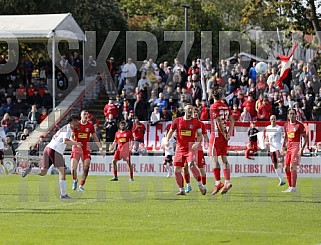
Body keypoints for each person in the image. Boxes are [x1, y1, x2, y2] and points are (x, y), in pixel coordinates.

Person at [21, 114, 82, 199]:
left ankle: (30, 169)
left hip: (48, 148)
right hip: (55, 150)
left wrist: (73, 142)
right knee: (62, 171)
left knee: (43, 172)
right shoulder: (68, 129)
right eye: (76, 121)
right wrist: (76, 143)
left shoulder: (64, 128)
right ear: (71, 121)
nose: (77, 123)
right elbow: (65, 141)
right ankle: (63, 194)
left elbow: (65, 139)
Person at [165, 104, 206, 195]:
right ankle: (181, 190)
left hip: (190, 147)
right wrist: (167, 140)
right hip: (179, 148)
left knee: (191, 165)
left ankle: (200, 185)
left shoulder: (196, 122)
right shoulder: (177, 121)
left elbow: (199, 136)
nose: (190, 110)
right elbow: (171, 131)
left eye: (192, 109)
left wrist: (196, 143)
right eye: (189, 109)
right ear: (184, 110)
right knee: (177, 170)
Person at [70, 110, 105, 192]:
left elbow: (95, 138)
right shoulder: (76, 124)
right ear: (81, 116)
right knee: (73, 169)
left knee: (86, 167)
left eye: (87, 114)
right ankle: (75, 180)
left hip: (86, 149)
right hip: (76, 149)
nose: (86, 116)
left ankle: (81, 185)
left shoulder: (90, 126)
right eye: (84, 114)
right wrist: (75, 143)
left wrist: (100, 148)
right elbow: (71, 137)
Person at [209, 89, 235, 195]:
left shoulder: (213, 107)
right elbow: (232, 120)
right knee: (224, 159)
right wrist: (228, 132)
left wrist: (224, 134)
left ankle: (218, 182)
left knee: (213, 158)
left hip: (216, 135)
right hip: (224, 135)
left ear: (212, 96)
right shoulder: (225, 106)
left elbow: (218, 121)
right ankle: (227, 182)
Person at [281, 109, 307, 192]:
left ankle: (293, 187)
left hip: (296, 146)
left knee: (293, 167)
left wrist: (302, 149)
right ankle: (290, 187)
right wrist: (283, 146)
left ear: (295, 115)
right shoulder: (286, 125)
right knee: (286, 168)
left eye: (293, 114)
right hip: (289, 147)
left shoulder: (299, 125)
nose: (291, 115)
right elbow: (286, 137)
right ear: (288, 115)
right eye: (290, 114)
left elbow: (305, 138)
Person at [184, 107, 209, 193]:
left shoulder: (201, 124)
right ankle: (188, 185)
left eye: (196, 113)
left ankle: (204, 186)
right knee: (185, 167)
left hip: (198, 149)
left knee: (201, 167)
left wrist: (208, 145)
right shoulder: (187, 123)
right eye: (193, 113)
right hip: (188, 149)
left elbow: (204, 136)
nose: (194, 114)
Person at [264, 115, 286, 186]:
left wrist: (283, 146)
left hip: (278, 147)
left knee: (281, 164)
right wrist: (266, 142)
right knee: (275, 165)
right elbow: (267, 137)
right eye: (271, 119)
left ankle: (289, 177)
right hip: (272, 148)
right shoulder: (268, 128)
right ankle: (281, 179)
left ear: (276, 120)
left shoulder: (279, 128)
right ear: (270, 120)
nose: (273, 120)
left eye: (274, 119)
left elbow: (283, 137)